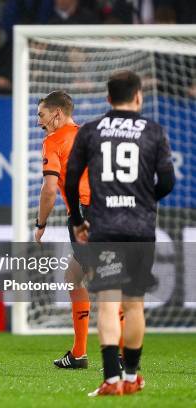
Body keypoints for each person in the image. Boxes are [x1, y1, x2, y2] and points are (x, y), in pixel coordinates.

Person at [66, 70, 175, 396]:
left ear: (108, 99)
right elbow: (167, 182)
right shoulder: (154, 131)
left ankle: (112, 381)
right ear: (138, 96)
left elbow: (71, 181)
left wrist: (76, 218)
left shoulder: (91, 130)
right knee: (135, 305)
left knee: (108, 304)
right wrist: (143, 201)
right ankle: (132, 376)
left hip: (106, 227)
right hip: (140, 229)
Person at [34, 90, 93, 369]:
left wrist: (40, 223)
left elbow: (48, 191)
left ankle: (121, 355)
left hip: (83, 212)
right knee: (75, 275)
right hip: (113, 209)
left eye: (42, 115)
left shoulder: (54, 141)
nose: (39, 122)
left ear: (57, 113)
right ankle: (79, 353)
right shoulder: (90, 135)